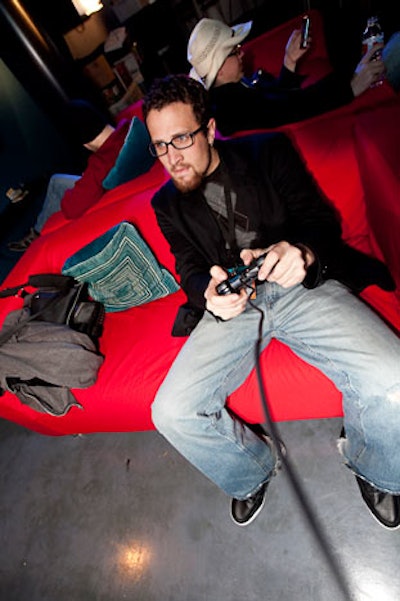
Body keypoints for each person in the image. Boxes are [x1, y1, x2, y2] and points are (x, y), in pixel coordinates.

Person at [142, 73, 400, 529]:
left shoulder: (267, 150)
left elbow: (320, 221)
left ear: (209, 128)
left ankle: (373, 463)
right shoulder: (166, 203)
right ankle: (253, 468)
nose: (171, 159)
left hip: (297, 286)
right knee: (170, 411)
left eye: (181, 139)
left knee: (393, 374)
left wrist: (300, 250)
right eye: (160, 146)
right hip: (234, 310)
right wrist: (207, 291)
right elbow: (189, 266)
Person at [187, 17, 387, 135]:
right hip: (343, 109)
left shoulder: (230, 92)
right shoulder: (233, 108)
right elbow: (295, 109)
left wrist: (289, 62)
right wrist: (352, 84)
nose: (242, 53)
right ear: (219, 68)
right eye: (234, 51)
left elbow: (277, 104)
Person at [8, 99, 118, 252]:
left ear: (84, 143)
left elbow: (71, 209)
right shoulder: (129, 128)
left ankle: (37, 234)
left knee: (57, 184)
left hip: (104, 196)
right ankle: (36, 230)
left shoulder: (100, 163)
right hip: (111, 181)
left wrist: (83, 183)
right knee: (57, 180)